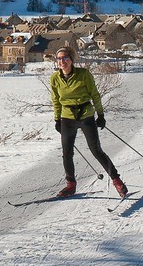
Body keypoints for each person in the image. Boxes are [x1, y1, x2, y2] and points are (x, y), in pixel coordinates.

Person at [49, 46, 127, 198]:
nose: (62, 61)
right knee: (66, 153)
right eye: (59, 59)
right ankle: (70, 185)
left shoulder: (83, 74)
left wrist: (100, 115)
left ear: (71, 60)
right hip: (67, 117)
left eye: (65, 58)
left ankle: (117, 180)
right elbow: (56, 100)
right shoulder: (54, 78)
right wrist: (57, 119)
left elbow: (95, 95)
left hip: (85, 115)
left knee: (96, 150)